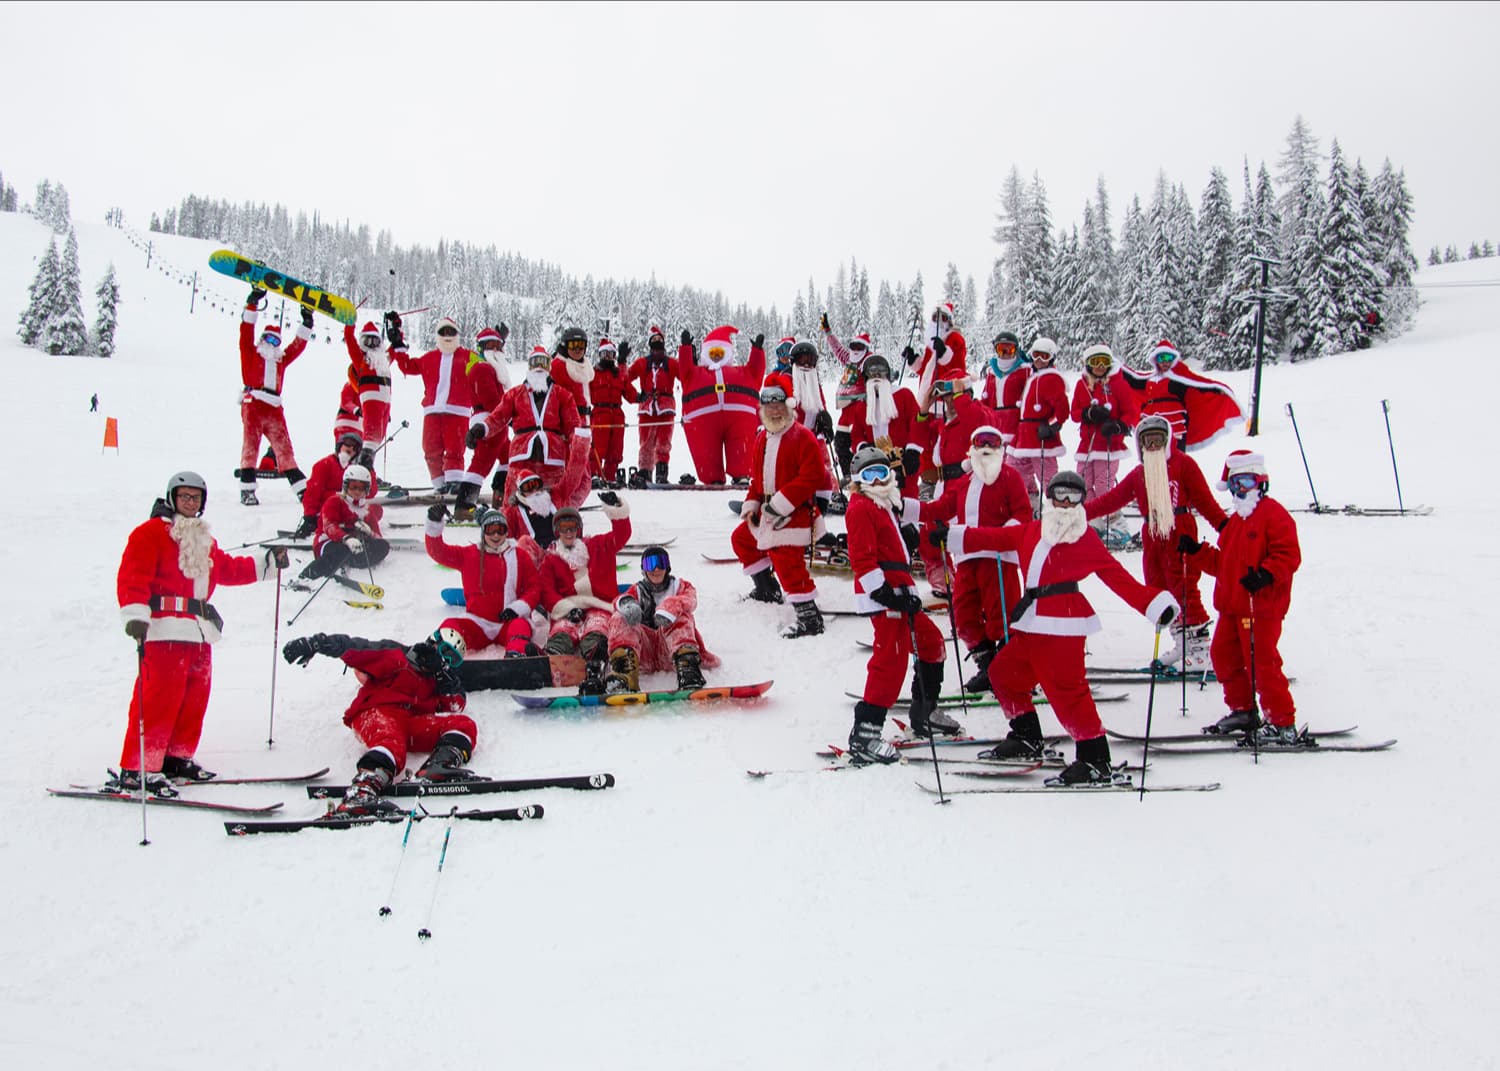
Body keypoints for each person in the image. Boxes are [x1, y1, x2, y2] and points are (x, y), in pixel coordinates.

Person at [949, 470, 1179, 784]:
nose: (1067, 502)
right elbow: (990, 537)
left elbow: (1118, 579)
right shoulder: (1030, 531)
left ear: (1083, 501)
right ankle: (1026, 736)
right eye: (1061, 495)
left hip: (1064, 626)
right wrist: (948, 535)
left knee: (1068, 693)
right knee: (1003, 674)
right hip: (1031, 624)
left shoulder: (1086, 539)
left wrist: (1153, 605)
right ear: (1051, 498)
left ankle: (1094, 758)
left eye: (1074, 496)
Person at [113, 471, 287, 795]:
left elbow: (228, 568)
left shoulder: (203, 540)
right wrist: (136, 615)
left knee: (194, 698)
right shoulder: (149, 534)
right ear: (172, 498)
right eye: (184, 497)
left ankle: (176, 757)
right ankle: (140, 766)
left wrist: (268, 563)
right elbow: (132, 576)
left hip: (199, 632)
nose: (190, 503)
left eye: (195, 498)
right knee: (158, 699)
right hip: (164, 631)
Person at [1083, 414, 1228, 669]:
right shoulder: (1139, 474)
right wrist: (1078, 513)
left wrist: (1228, 530)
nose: (1153, 446)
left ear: (1168, 440)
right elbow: (1111, 500)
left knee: (1183, 588)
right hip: (1152, 535)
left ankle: (1200, 648)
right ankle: (1182, 642)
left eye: (1158, 440)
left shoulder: (1184, 465)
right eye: (1147, 441)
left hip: (1179, 531)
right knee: (1158, 589)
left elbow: (1206, 502)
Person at [843, 446, 958, 764]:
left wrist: (940, 524)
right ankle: (865, 733)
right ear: (858, 480)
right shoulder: (861, 507)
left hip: (902, 592)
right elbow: (862, 557)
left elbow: (928, 510)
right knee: (890, 661)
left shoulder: (889, 503)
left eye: (883, 472)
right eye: (870, 475)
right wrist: (884, 593)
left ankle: (925, 713)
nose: (878, 480)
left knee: (931, 642)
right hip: (886, 595)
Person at [1179, 450, 1303, 742]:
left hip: (1260, 607)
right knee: (1223, 656)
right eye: (1234, 484)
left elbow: (1289, 554)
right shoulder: (1236, 521)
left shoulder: (1274, 515)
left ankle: (1282, 722)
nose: (1240, 490)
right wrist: (1197, 553)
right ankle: (1244, 710)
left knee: (1261, 662)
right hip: (1232, 606)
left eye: (1245, 482)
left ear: (1261, 482)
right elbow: (1224, 565)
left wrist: (1266, 574)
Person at [281, 629, 475, 815]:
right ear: (433, 643)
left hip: (409, 722)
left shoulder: (436, 680)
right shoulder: (396, 656)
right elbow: (354, 649)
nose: (445, 660)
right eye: (445, 652)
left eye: (453, 660)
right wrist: (316, 643)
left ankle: (437, 768)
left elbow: (454, 705)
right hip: (376, 712)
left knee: (463, 724)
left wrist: (445, 678)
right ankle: (361, 793)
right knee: (392, 742)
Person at [918, 425, 1032, 692]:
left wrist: (999, 537)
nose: (986, 449)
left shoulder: (1010, 477)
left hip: (999, 558)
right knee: (964, 614)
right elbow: (940, 508)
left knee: (1001, 617)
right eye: (980, 443)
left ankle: (1013, 669)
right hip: (966, 558)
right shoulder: (962, 483)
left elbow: (1023, 515)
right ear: (971, 448)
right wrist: (905, 508)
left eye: (992, 444)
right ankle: (990, 667)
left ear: (1000, 449)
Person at [730, 383, 828, 638]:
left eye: (779, 406)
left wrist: (781, 503)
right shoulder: (762, 437)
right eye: (769, 406)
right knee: (741, 540)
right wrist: (752, 505)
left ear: (788, 406)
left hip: (795, 513)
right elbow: (755, 480)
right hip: (767, 512)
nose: (774, 411)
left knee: (786, 560)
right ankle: (767, 589)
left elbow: (814, 476)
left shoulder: (802, 436)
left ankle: (809, 616)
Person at [539, 495, 633, 693]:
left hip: (600, 605)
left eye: (572, 527)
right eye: (563, 528)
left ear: (579, 529)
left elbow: (622, 534)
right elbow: (547, 591)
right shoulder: (551, 559)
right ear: (557, 532)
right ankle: (553, 656)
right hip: (568, 606)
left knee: (597, 627)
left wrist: (615, 508)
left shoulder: (600, 545)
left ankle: (594, 660)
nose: (568, 532)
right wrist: (566, 608)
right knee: (564, 628)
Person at [477, 345, 588, 510]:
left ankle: (557, 519)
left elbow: (572, 425)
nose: (539, 367)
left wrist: (579, 441)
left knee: (554, 494)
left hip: (552, 455)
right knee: (514, 494)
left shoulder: (562, 395)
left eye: (543, 363)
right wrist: (482, 428)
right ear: (528, 367)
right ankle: (511, 521)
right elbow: (498, 417)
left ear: (549, 367)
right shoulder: (515, 394)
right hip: (521, 454)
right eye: (535, 362)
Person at [603, 545, 720, 694]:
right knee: (620, 617)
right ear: (643, 569)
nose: (656, 569)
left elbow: (690, 600)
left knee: (682, 616)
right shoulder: (638, 590)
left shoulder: (679, 587)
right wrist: (628, 605)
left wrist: (670, 607)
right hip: (642, 655)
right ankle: (625, 673)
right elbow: (618, 601)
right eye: (650, 564)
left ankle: (688, 669)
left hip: (670, 653)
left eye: (661, 563)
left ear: (668, 567)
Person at [424, 505, 539, 657]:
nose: (496, 535)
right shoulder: (468, 555)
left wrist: (517, 608)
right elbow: (438, 552)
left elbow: (534, 587)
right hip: (477, 624)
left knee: (521, 626)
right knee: (451, 626)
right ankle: (440, 654)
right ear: (483, 531)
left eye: (501, 530)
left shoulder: (519, 556)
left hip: (508, 623)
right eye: (491, 530)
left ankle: (517, 656)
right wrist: (434, 523)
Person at [237, 288, 311, 505]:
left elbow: (297, 346)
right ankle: (247, 490)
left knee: (284, 447)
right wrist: (252, 303)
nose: (272, 343)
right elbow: (246, 330)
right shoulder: (250, 352)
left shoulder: (281, 360)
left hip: (274, 407)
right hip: (254, 403)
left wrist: (307, 322)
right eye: (268, 338)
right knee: (251, 445)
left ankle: (300, 489)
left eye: (276, 340)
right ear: (261, 340)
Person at [393, 315, 475, 495]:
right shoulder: (429, 358)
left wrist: (495, 347)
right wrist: (397, 344)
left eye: (451, 332)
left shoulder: (469, 357)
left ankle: (454, 482)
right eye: (443, 332)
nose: (447, 335)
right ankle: (439, 483)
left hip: (458, 412)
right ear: (438, 335)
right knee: (430, 448)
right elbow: (407, 366)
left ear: (457, 334)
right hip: (432, 411)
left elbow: (486, 369)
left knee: (455, 448)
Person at [1119, 339, 1244, 452]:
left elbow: (1199, 384)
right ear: (1156, 360)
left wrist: (1217, 390)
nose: (1165, 362)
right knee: (1151, 453)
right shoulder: (1149, 379)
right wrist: (1116, 366)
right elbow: (1132, 379)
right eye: (1161, 358)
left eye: (1169, 357)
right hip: (1151, 421)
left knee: (1175, 454)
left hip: (1175, 422)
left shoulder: (1179, 378)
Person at [679, 325, 765, 485]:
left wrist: (757, 351)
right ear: (705, 354)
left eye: (721, 353)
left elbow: (756, 372)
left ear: (728, 353)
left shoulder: (742, 372)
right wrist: (685, 349)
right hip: (704, 421)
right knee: (706, 450)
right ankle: (712, 477)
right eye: (713, 353)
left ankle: (742, 475)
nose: (717, 357)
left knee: (742, 446)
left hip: (739, 419)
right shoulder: (695, 374)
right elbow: (684, 369)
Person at [1071, 343, 1139, 530]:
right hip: (1087, 445)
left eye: (1104, 361)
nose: (1100, 366)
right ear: (1088, 364)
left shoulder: (1118, 384)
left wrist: (1118, 426)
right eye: (1095, 362)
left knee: (1103, 485)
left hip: (1108, 444)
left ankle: (1117, 524)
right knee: (1084, 484)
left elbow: (1130, 412)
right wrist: (1088, 414)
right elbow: (1074, 413)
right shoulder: (1082, 385)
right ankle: (1095, 521)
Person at [834, 353, 921, 495]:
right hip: (874, 468)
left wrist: (913, 450)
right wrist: (863, 447)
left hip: (903, 462)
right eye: (872, 373)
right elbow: (856, 434)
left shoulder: (904, 395)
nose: (876, 377)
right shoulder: (862, 406)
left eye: (880, 372)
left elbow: (917, 425)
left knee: (905, 502)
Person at [297, 464, 390, 582]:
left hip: (355, 545)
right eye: (353, 487)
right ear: (346, 486)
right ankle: (307, 576)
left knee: (382, 546)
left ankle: (348, 561)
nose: (357, 491)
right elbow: (329, 527)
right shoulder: (335, 501)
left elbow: (377, 536)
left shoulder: (367, 509)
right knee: (342, 549)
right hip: (328, 542)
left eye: (361, 488)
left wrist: (369, 532)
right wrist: (346, 538)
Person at [1009, 336, 1070, 510]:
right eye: (1036, 355)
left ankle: (1058, 509)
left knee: (1047, 475)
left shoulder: (1051, 378)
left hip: (1039, 434)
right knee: (1015, 469)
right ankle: (1028, 505)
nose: (1039, 360)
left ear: (1051, 358)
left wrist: (1053, 427)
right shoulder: (1034, 377)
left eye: (1044, 356)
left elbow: (1063, 408)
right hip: (1024, 434)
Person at [461, 324, 513, 517]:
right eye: (491, 345)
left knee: (509, 457)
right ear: (482, 347)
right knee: (482, 463)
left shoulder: (490, 366)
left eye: (499, 345)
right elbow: (492, 400)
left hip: (496, 422)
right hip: (489, 422)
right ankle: (464, 507)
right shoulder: (482, 368)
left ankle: (500, 497)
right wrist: (508, 416)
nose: (496, 350)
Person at [294, 432, 379, 539]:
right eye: (348, 443)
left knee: (376, 509)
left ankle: (361, 529)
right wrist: (309, 516)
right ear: (340, 445)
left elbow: (370, 493)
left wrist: (369, 469)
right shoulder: (324, 465)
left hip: (348, 509)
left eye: (355, 447)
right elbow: (312, 493)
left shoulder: (353, 469)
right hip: (329, 510)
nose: (351, 448)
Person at [625, 325, 679, 486]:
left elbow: (687, 377)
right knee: (646, 442)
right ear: (649, 345)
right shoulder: (642, 363)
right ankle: (645, 471)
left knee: (664, 442)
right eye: (653, 341)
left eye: (659, 341)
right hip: (647, 408)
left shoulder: (671, 364)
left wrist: (690, 358)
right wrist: (636, 396)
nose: (657, 344)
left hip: (666, 408)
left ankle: (662, 472)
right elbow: (625, 378)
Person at [589, 338, 639, 486]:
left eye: (611, 354)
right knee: (598, 448)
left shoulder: (618, 374)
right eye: (605, 354)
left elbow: (629, 392)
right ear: (599, 355)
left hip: (617, 414)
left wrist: (640, 397)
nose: (608, 357)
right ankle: (594, 475)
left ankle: (610, 477)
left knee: (615, 450)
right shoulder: (593, 374)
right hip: (600, 413)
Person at [344, 318, 394, 467]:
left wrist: (396, 331)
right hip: (371, 398)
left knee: (378, 436)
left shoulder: (383, 360)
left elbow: (395, 350)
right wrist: (350, 322)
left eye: (375, 341)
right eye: (368, 340)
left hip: (385, 400)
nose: (372, 344)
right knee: (371, 436)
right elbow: (349, 339)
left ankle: (366, 467)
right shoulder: (361, 359)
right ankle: (363, 467)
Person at [907, 302, 968, 412]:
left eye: (943, 318)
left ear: (949, 321)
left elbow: (958, 367)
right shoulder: (931, 345)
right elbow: (925, 371)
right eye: (935, 317)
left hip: (944, 400)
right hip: (926, 399)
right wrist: (913, 360)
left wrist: (943, 352)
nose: (938, 322)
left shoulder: (955, 338)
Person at [978, 331, 1028, 441]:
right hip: (996, 426)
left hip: (1016, 426)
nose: (1005, 353)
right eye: (1001, 349)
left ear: (1016, 350)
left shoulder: (1024, 371)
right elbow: (985, 402)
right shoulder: (991, 373)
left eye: (1009, 349)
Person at [819, 314, 875, 410]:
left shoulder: (868, 361)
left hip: (862, 405)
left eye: (860, 347)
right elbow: (837, 348)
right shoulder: (849, 359)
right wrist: (828, 332)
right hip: (846, 404)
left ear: (865, 349)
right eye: (853, 347)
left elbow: (879, 371)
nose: (856, 350)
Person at [505, 470, 561, 554]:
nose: (534, 490)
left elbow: (572, 479)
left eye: (536, 485)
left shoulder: (554, 499)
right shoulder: (513, 512)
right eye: (528, 487)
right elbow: (506, 538)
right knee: (524, 541)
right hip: (534, 555)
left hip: (559, 550)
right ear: (521, 491)